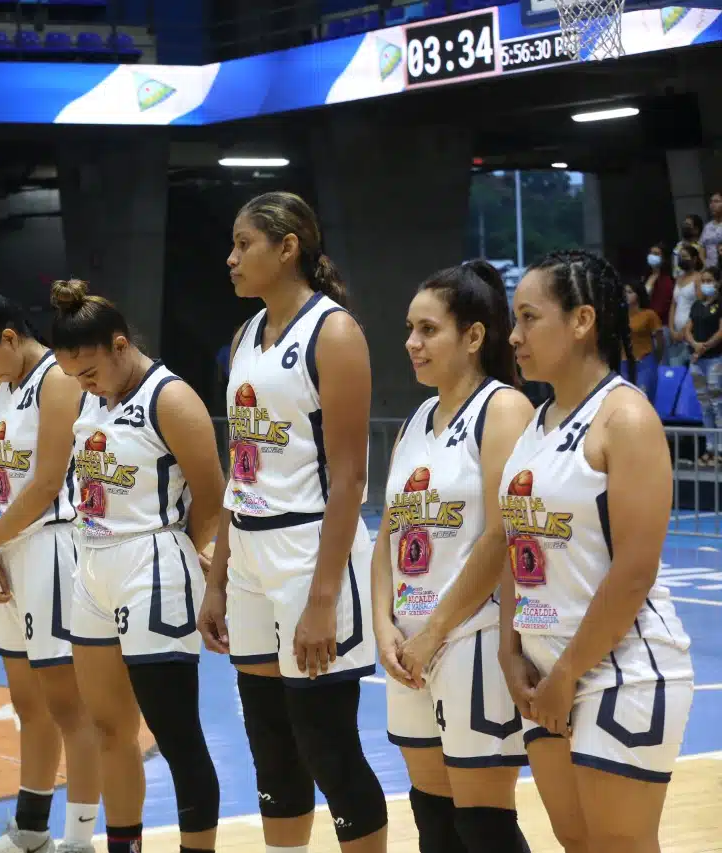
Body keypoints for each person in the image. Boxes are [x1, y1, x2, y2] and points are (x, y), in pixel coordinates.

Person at [196, 192, 386, 853]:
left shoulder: (333, 333)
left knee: (327, 747)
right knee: (270, 746)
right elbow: (240, 468)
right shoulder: (244, 336)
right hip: (248, 550)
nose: (231, 258)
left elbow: (351, 478)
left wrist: (322, 599)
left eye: (243, 243)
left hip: (310, 552)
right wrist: (218, 579)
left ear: (287, 248)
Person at [499, 249, 694, 852]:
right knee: (577, 843)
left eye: (529, 318)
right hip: (544, 667)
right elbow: (514, 541)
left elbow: (635, 571)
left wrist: (567, 673)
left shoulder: (626, 418)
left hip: (621, 667)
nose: (515, 336)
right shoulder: (535, 422)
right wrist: (510, 650)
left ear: (582, 320)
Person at [50, 279, 222, 853]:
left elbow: (213, 494)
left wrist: (188, 560)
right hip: (92, 565)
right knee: (108, 729)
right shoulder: (90, 399)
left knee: (176, 736)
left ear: (120, 345)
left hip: (151, 565)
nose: (84, 383)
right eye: (73, 375)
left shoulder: (169, 398)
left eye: (89, 371)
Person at [370, 261, 536, 852]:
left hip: (471, 637)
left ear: (473, 336)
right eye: (409, 329)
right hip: (408, 644)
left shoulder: (504, 409)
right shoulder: (416, 419)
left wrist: (435, 632)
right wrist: (383, 625)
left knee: (484, 826)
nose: (411, 343)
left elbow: (501, 535)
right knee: (433, 821)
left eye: (427, 329)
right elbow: (388, 532)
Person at [0, 281, 102, 853]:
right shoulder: (6, 385)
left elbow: (45, 482)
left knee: (68, 706)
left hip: (52, 549)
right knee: (28, 705)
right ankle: (32, 830)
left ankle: (80, 839)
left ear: (10, 338)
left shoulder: (57, 379)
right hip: (11, 550)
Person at [684, 266, 722, 466]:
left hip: (715, 359)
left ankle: (721, 450)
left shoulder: (720, 304)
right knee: (705, 405)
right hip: (697, 361)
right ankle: (710, 447)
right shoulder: (697, 305)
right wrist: (695, 345)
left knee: (718, 404)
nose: (706, 284)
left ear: (718, 282)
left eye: (710, 280)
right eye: (703, 281)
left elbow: (721, 332)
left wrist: (703, 347)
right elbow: (687, 330)